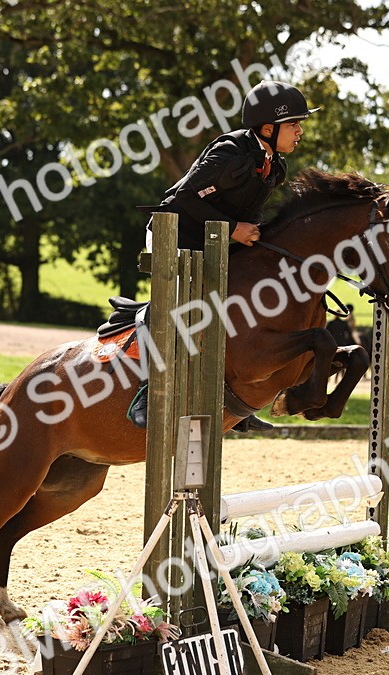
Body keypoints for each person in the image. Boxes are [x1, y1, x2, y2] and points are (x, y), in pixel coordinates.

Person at [129, 80, 321, 430]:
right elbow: (182, 198)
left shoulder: (275, 165)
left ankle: (237, 405)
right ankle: (147, 389)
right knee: (187, 307)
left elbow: (252, 212)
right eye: (294, 123)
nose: (300, 131)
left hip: (216, 239)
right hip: (175, 232)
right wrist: (233, 228)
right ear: (268, 127)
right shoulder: (229, 153)